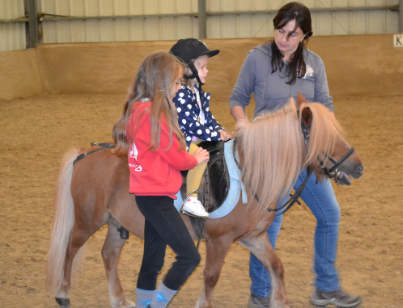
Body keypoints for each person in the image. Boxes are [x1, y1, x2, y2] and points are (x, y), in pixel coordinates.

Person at [229, 2, 361, 308]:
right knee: (266, 225)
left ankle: (326, 287)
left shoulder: (315, 64)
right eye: (280, 30)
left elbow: (325, 107)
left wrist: (327, 148)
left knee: (330, 215)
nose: (284, 38)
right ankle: (261, 294)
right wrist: (242, 122)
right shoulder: (257, 58)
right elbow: (238, 98)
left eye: (292, 33)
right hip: (268, 157)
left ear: (304, 35)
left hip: (305, 154)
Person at [118, 52, 209, 308]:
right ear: (163, 83)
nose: (179, 88)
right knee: (189, 257)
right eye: (177, 83)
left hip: (150, 195)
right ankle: (157, 304)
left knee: (153, 259)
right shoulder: (153, 116)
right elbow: (177, 159)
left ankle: (144, 304)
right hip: (156, 197)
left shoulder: (138, 110)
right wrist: (196, 158)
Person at [169, 38, 231, 218]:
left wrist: (220, 130)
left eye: (206, 67)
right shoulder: (181, 93)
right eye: (202, 67)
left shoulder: (197, 92)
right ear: (186, 69)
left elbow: (207, 117)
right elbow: (191, 125)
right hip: (184, 141)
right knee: (201, 157)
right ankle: (191, 198)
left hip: (198, 136)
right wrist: (213, 134)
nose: (207, 71)